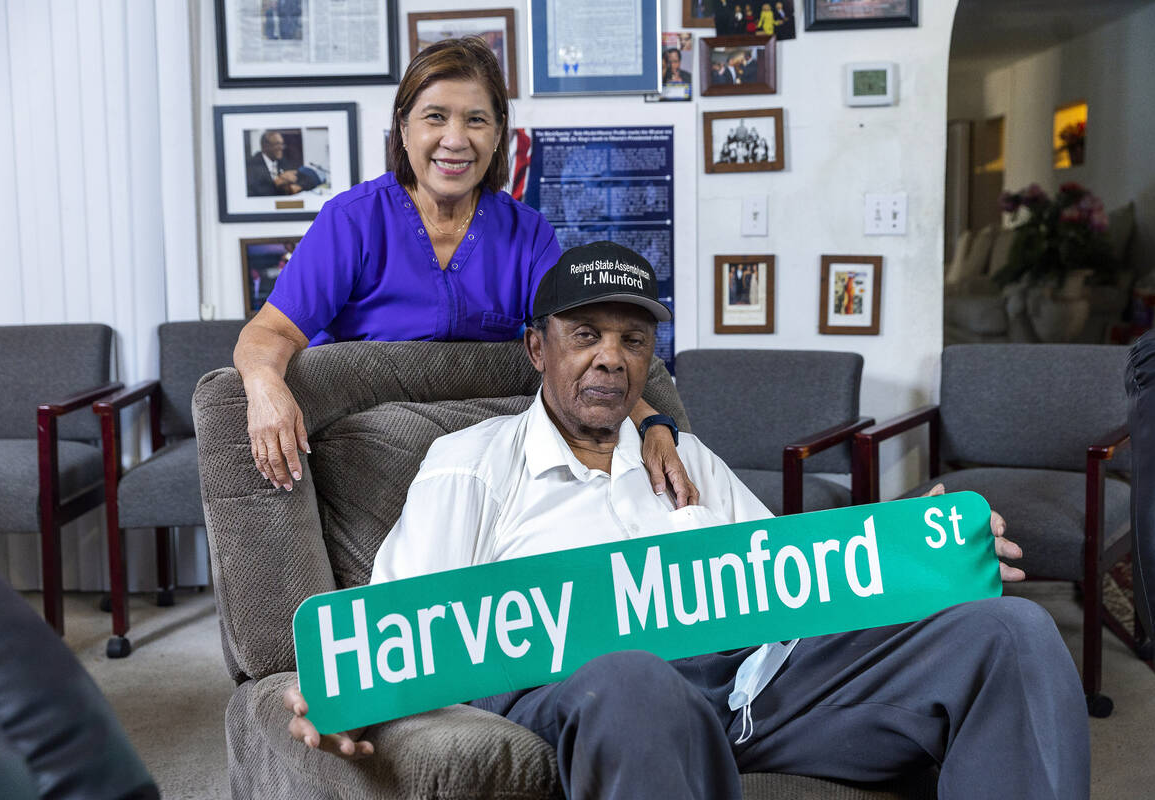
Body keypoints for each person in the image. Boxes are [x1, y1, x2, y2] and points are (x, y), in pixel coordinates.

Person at [283, 242, 1090, 800]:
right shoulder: (470, 464)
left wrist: (915, 551)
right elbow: (394, 624)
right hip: (602, 693)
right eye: (585, 336)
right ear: (537, 349)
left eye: (632, 340)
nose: (610, 357)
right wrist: (342, 690)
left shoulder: (684, 459)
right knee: (635, 673)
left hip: (756, 690)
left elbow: (793, 588)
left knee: (1011, 631)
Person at [234, 38, 693, 507]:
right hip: (370, 456)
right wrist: (265, 386)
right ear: (403, 128)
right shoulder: (353, 220)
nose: (455, 139)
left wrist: (651, 422)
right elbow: (270, 331)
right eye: (435, 116)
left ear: (497, 137)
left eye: (475, 119)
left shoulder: (527, 233)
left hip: (483, 458)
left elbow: (580, 343)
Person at [245, 131, 301, 197]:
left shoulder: (283, 162)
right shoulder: (251, 165)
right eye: (277, 144)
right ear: (265, 146)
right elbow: (252, 193)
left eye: (282, 144)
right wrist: (276, 183)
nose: (281, 148)